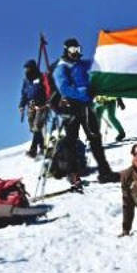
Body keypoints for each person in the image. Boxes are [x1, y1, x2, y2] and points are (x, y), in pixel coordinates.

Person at [52, 38, 119, 188]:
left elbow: (97, 64)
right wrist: (83, 93)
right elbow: (64, 88)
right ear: (66, 50)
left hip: (86, 106)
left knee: (95, 137)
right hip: (71, 107)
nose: (76, 53)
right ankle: (73, 174)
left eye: (78, 49)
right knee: (71, 141)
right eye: (73, 50)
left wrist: (107, 54)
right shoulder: (61, 67)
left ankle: (104, 171)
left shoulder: (82, 64)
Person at [18, 59, 47, 158]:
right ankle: (43, 147)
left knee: (37, 126)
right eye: (26, 69)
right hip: (31, 105)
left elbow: (47, 90)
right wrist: (21, 105)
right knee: (33, 128)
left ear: (33, 68)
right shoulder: (26, 81)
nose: (27, 70)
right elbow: (24, 94)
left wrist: (46, 102)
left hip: (41, 104)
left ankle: (33, 149)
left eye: (28, 68)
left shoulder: (41, 77)